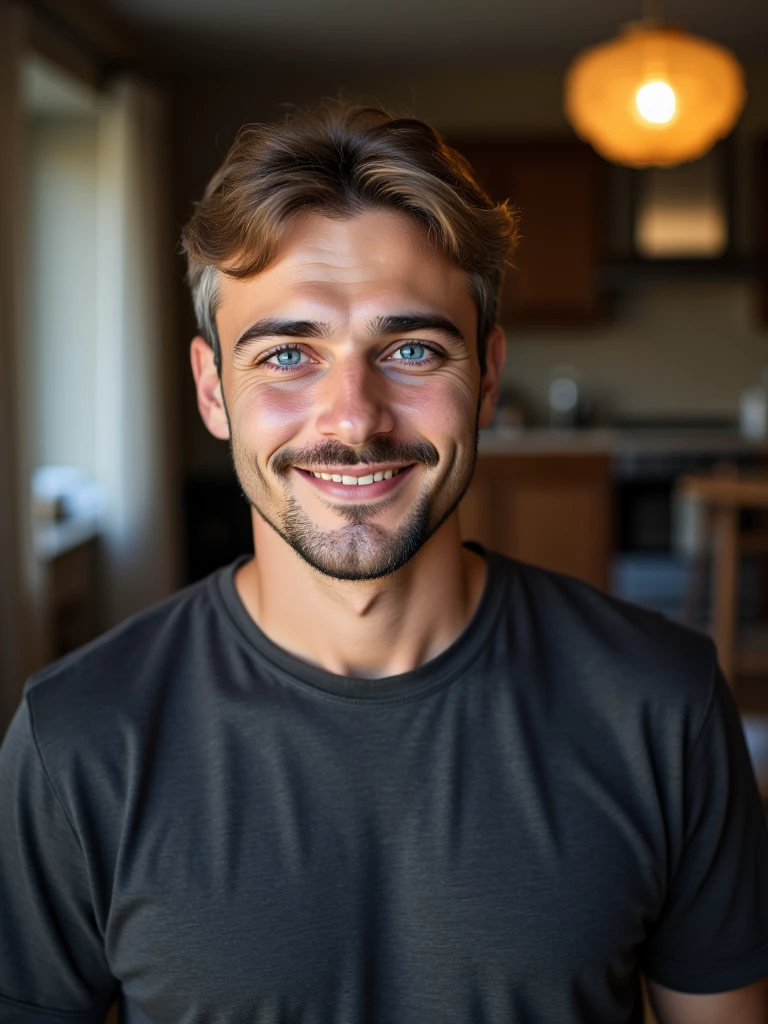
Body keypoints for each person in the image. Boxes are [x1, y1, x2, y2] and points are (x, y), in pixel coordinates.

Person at [1, 101, 767, 1024]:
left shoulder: (661, 703)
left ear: (485, 377)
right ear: (213, 390)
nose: (353, 418)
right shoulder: (78, 737)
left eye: (410, 349)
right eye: (288, 353)